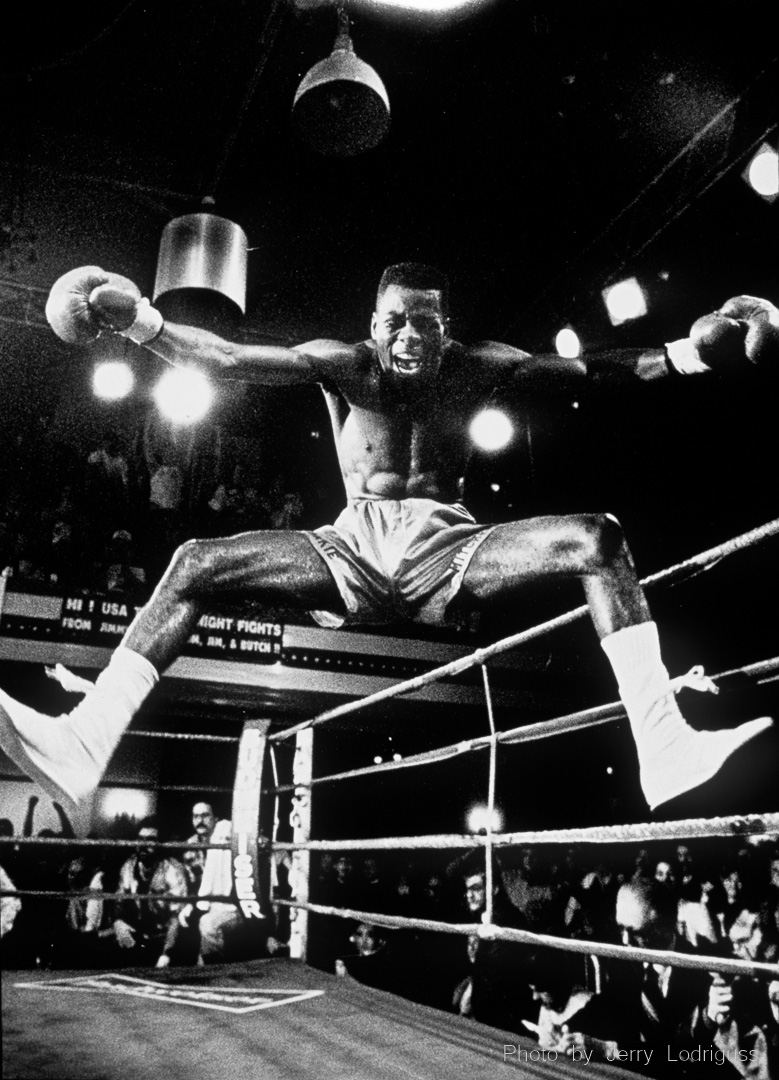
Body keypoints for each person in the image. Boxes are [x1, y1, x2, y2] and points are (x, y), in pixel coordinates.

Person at [0, 264, 776, 816]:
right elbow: (231, 359)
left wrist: (686, 354)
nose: (409, 335)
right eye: (394, 321)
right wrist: (141, 323)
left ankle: (666, 747)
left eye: (425, 322)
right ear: (373, 326)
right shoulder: (343, 366)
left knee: (597, 539)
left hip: (450, 547)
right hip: (350, 549)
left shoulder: (479, 368)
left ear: (447, 329)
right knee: (193, 562)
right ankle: (85, 741)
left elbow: (595, 375)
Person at [112, 817, 191, 968]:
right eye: (140, 839)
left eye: (150, 840)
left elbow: (176, 918)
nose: (143, 845)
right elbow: (118, 903)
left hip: (164, 938)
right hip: (139, 933)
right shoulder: (129, 866)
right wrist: (118, 922)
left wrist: (166, 954)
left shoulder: (173, 870)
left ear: (159, 844)